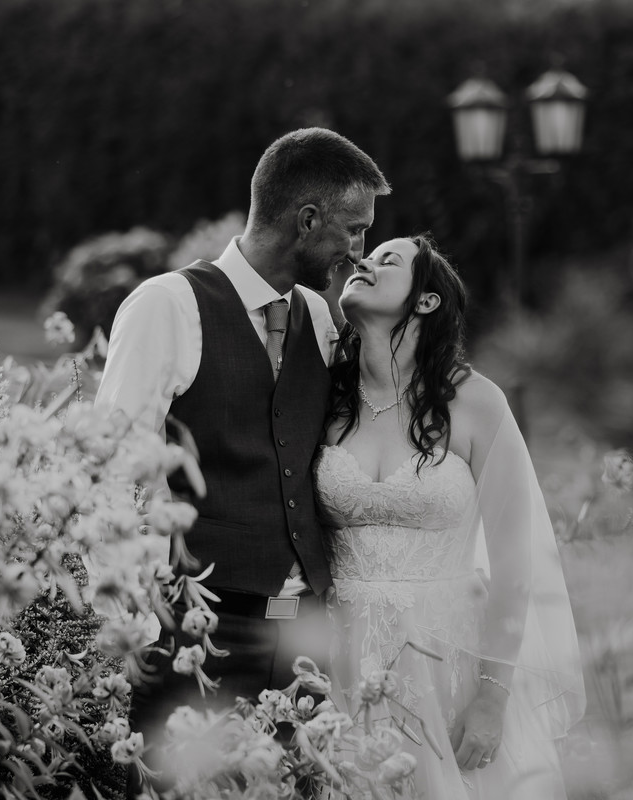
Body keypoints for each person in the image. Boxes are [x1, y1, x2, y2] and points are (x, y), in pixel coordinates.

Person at [92, 127, 390, 794]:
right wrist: (132, 629)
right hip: (201, 636)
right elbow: (110, 471)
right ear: (306, 219)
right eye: (352, 229)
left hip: (303, 643)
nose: (358, 251)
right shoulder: (167, 305)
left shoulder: (318, 316)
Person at [314, 234, 586, 798]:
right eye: (367, 255)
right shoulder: (321, 398)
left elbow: (516, 565)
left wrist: (492, 694)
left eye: (388, 260)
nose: (362, 261)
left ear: (427, 301)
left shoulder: (476, 401)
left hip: (448, 667)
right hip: (337, 662)